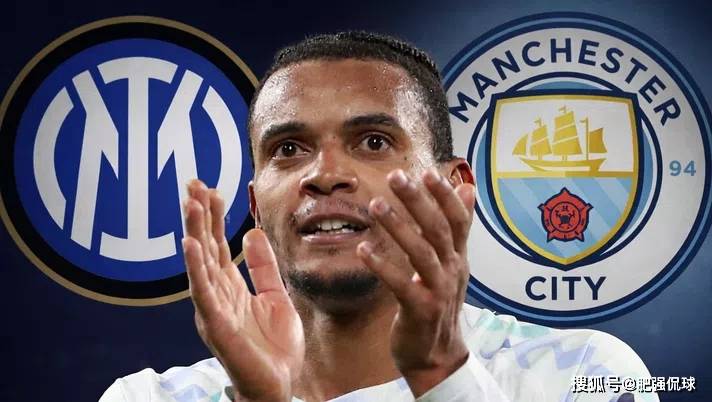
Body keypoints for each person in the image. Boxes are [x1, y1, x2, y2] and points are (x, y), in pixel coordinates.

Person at [100, 32, 658, 402]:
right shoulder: (145, 399)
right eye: (288, 149)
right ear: (255, 208)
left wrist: (443, 377)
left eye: (372, 141)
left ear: (453, 188)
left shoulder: (584, 372)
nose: (324, 174)